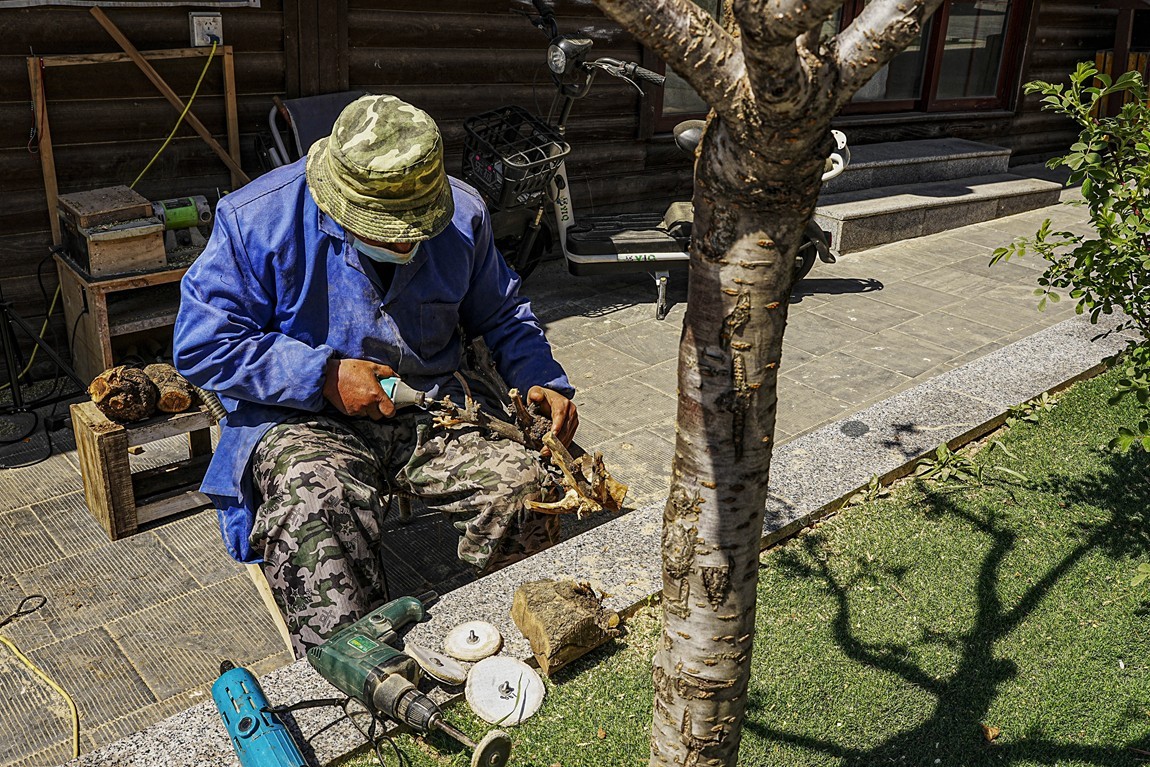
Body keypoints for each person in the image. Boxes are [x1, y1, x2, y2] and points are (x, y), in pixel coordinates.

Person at [173, 94, 577, 654]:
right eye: (384, 228)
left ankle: (501, 647)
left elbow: (504, 312)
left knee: (523, 487)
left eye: (416, 226)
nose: (406, 241)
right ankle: (357, 672)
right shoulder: (255, 221)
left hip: (428, 406)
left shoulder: (464, 214)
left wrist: (540, 377)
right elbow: (202, 345)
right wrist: (321, 374)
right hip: (305, 419)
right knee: (314, 506)